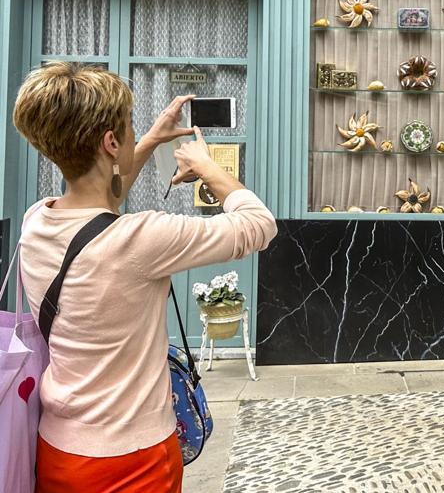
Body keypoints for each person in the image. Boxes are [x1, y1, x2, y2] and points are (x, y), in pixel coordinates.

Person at [12, 62, 277, 493]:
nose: (136, 135)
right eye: (130, 128)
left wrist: (153, 135)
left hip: (58, 447)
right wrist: (207, 165)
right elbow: (258, 224)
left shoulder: (36, 221)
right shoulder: (140, 238)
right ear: (111, 142)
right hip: (131, 461)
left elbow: (101, 200)